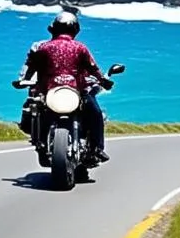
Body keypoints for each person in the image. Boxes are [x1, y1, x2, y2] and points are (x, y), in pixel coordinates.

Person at [16, 10, 112, 162]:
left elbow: (31, 67)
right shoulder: (80, 47)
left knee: (39, 107)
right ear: (75, 30)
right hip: (75, 92)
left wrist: (24, 80)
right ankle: (97, 148)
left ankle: (41, 142)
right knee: (95, 113)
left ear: (53, 29)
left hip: (52, 92)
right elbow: (94, 68)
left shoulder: (43, 48)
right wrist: (103, 80)